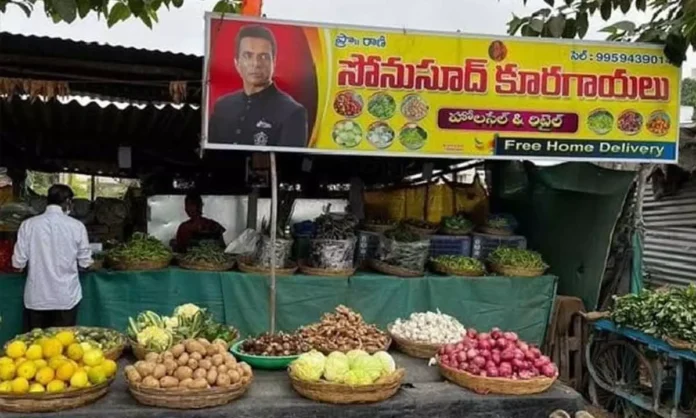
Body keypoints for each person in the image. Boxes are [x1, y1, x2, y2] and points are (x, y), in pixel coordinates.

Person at [208, 24, 309, 148]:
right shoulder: (222, 107)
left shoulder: (292, 112)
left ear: (274, 62)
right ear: (237, 63)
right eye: (248, 56)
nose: (256, 64)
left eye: (263, 56)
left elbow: (288, 164)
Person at [12, 184, 93, 332]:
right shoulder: (77, 226)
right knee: (63, 345)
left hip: (37, 297)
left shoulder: (28, 225)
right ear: (68, 202)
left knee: (35, 347)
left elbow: (18, 263)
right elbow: (85, 262)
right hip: (66, 297)